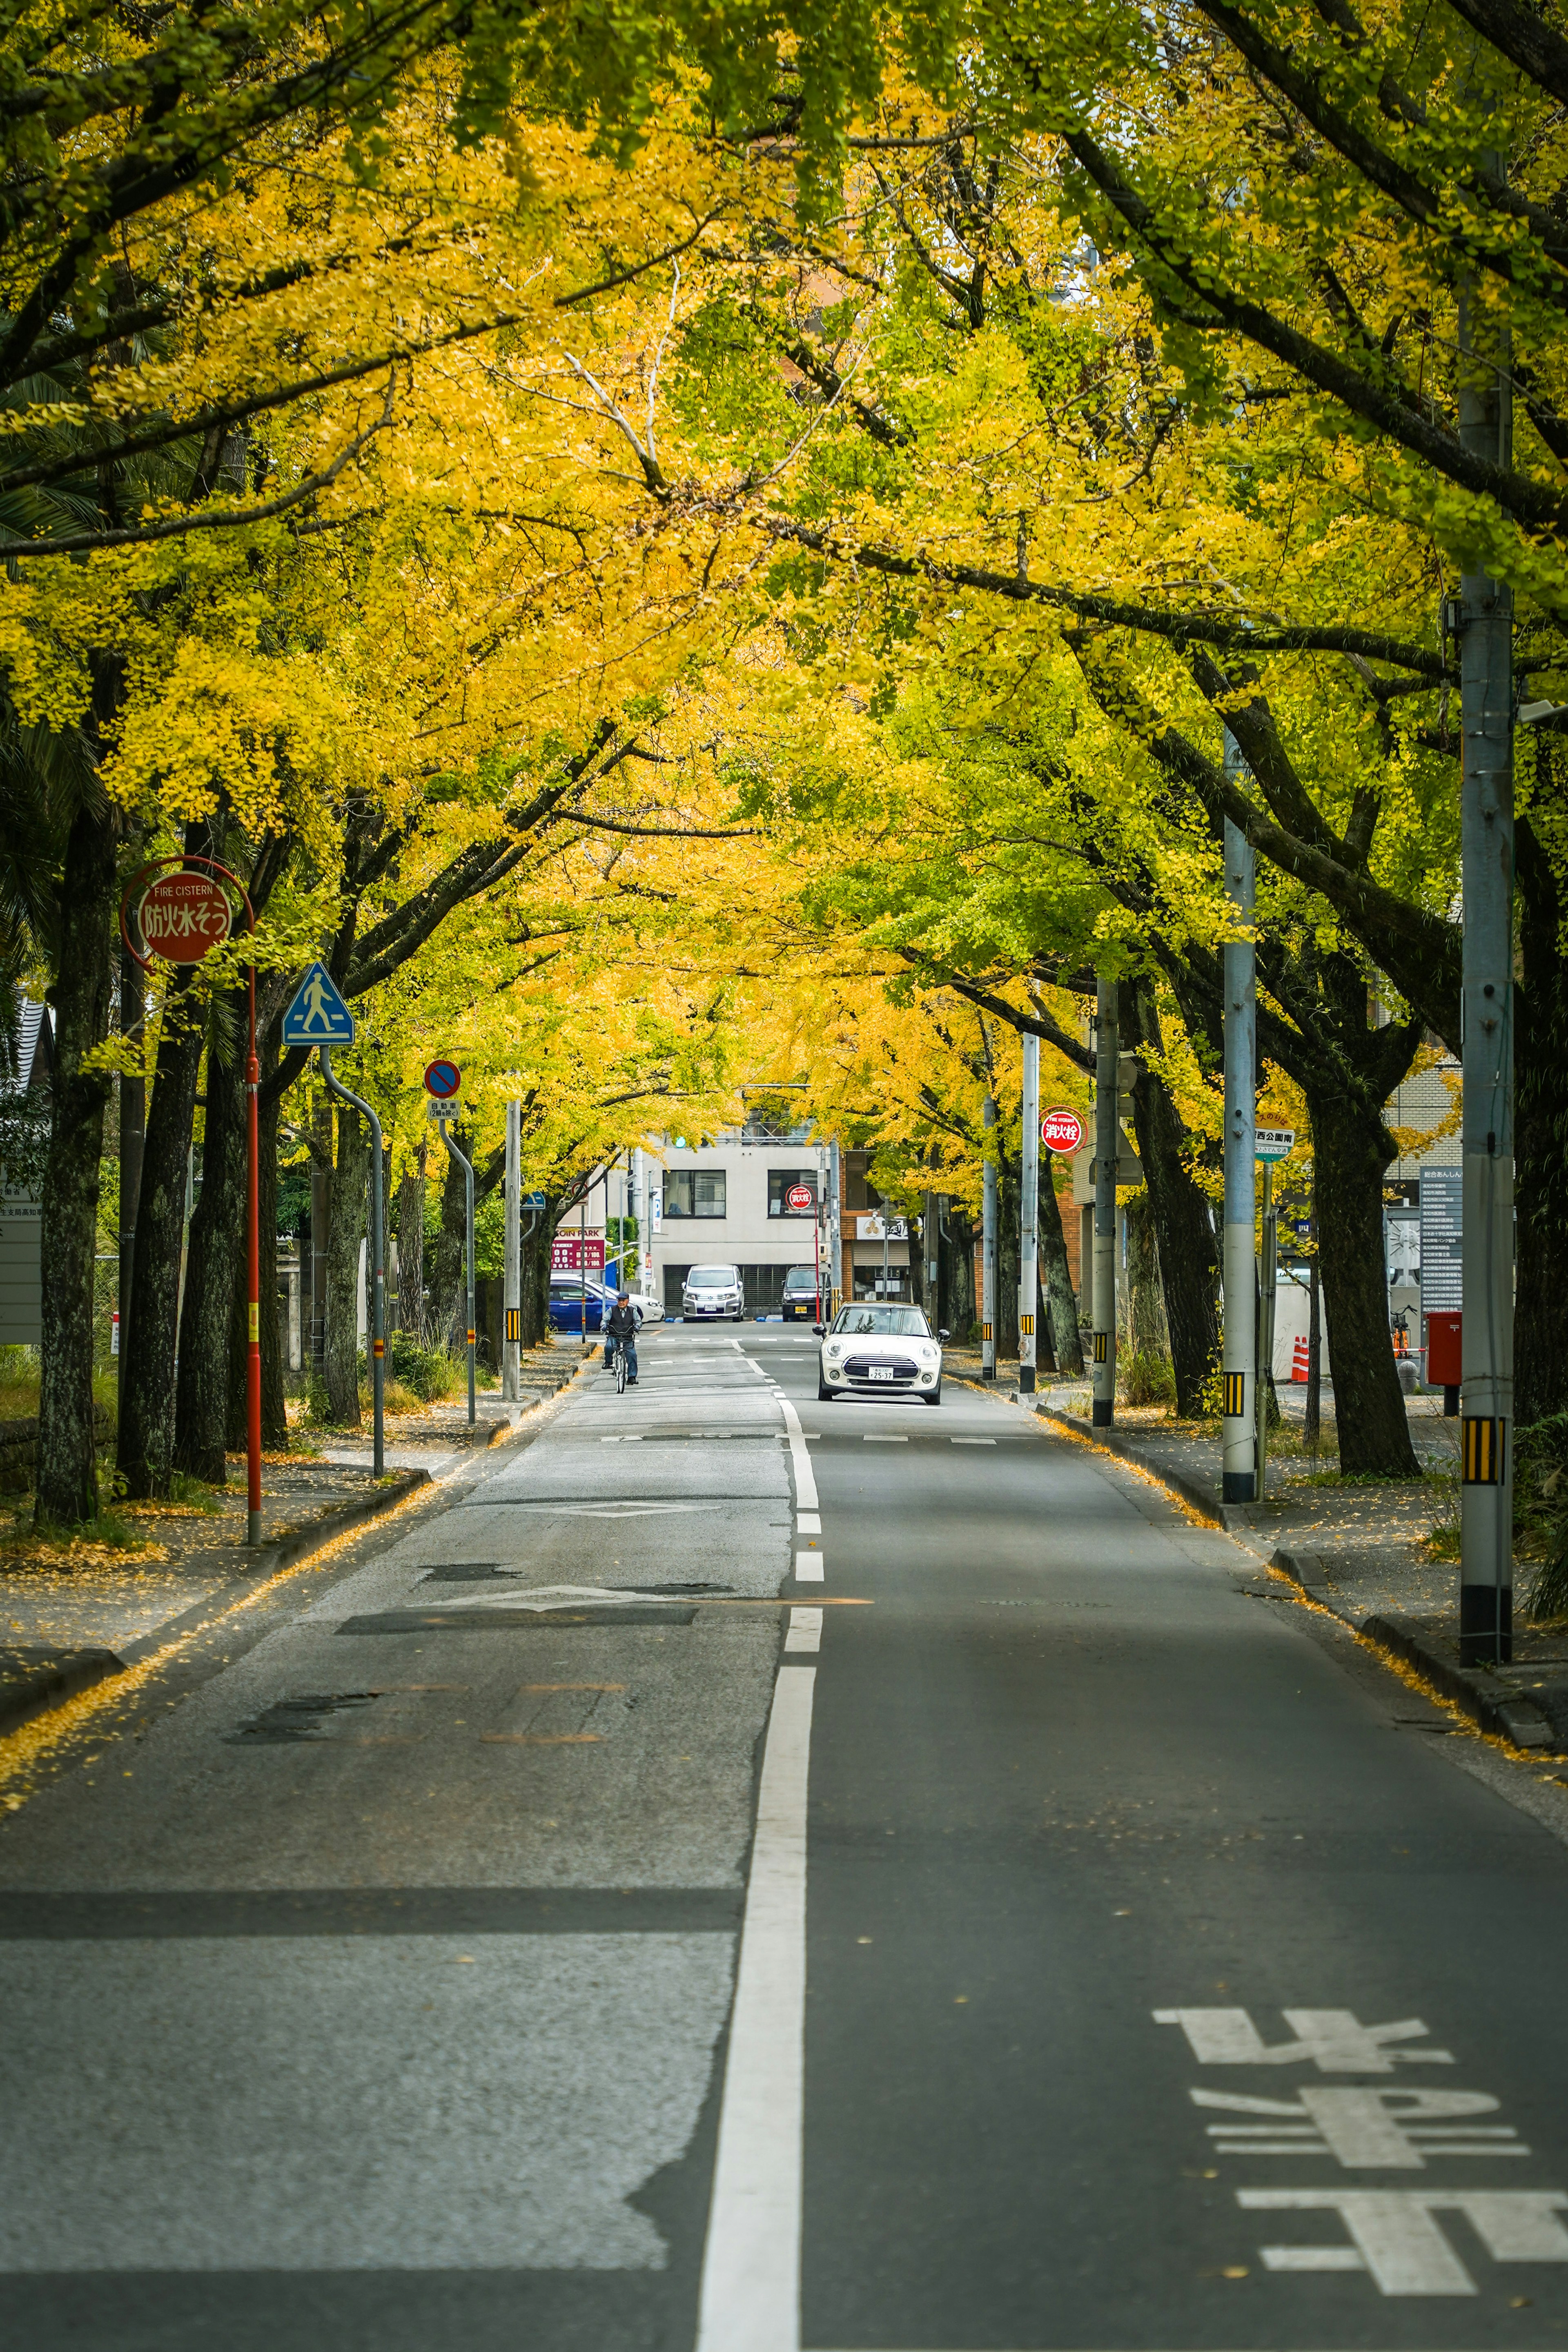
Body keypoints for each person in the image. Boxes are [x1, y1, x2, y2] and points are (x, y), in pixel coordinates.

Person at [602, 1290, 639, 1384]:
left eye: (623, 1300)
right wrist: (604, 1326)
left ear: (628, 1301)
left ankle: (632, 1377)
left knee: (632, 1355)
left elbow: (638, 1321)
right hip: (614, 1336)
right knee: (609, 1347)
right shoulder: (612, 1310)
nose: (621, 1302)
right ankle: (608, 1362)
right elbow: (605, 1319)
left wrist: (637, 1326)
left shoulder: (633, 1311)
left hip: (628, 1338)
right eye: (619, 1300)